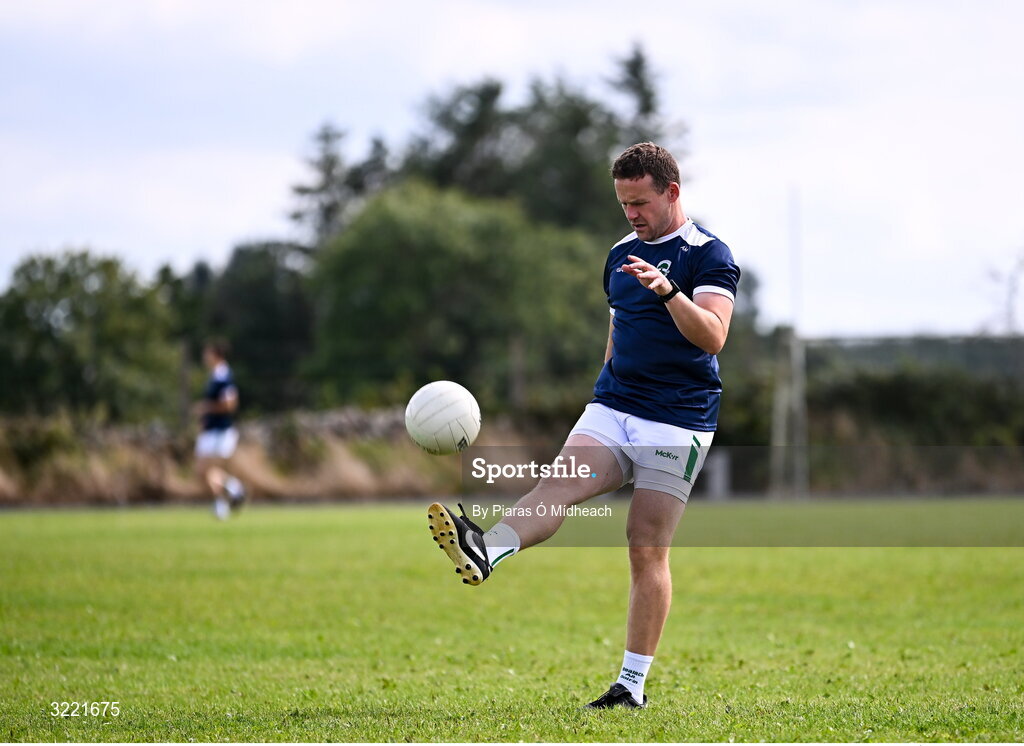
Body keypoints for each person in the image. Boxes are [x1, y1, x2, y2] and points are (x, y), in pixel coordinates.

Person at [428, 142, 740, 709]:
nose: (632, 215)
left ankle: (632, 686)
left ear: (671, 192)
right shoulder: (619, 254)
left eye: (640, 203)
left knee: (646, 548)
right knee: (558, 486)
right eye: (624, 204)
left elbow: (714, 337)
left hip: (679, 423)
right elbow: (618, 332)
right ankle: (485, 548)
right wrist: (603, 391)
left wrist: (669, 291)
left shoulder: (708, 255)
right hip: (615, 408)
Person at [194, 339, 246, 520]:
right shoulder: (215, 375)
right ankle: (233, 488)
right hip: (211, 430)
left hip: (220, 431)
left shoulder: (224, 376)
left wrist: (206, 408)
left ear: (215, 354)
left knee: (209, 471)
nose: (204, 356)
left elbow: (230, 404)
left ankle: (222, 504)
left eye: (207, 352)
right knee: (204, 472)